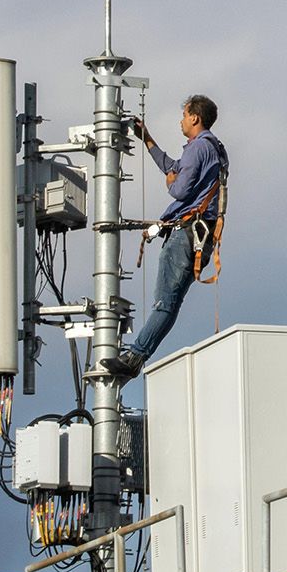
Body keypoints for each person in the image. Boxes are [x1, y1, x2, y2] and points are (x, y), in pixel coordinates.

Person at [99, 95, 229, 378]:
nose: (181, 120)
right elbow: (173, 167)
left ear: (195, 117)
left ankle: (135, 356)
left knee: (165, 303)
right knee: (169, 305)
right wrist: (148, 141)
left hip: (186, 232)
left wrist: (171, 183)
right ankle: (137, 355)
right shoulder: (213, 149)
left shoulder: (197, 149)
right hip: (199, 236)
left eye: (184, 115)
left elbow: (179, 188)